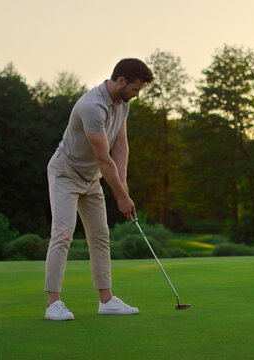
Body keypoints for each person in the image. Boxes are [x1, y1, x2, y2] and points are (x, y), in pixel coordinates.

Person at [44, 58, 154, 320]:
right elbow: (104, 158)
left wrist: (123, 188)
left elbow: (120, 146)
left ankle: (106, 301)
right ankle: (53, 304)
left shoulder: (122, 104)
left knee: (101, 236)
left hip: (91, 178)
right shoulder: (92, 107)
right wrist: (121, 198)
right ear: (120, 81)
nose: (136, 95)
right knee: (63, 233)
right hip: (65, 173)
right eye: (135, 89)